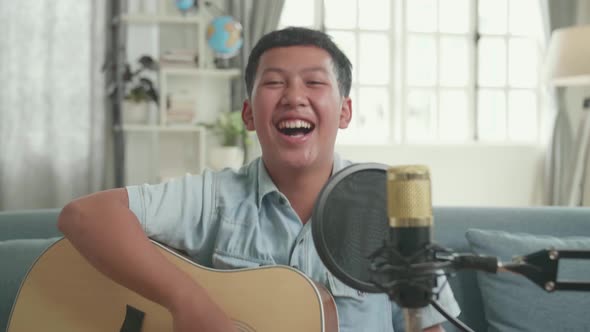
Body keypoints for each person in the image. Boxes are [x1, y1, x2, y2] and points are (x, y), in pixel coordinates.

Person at [58, 27, 460, 332]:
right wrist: (187, 301)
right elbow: (85, 215)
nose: (293, 96)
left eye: (315, 82)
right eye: (274, 82)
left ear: (345, 112)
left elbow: (427, 324)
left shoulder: (391, 204)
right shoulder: (213, 196)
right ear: (249, 115)